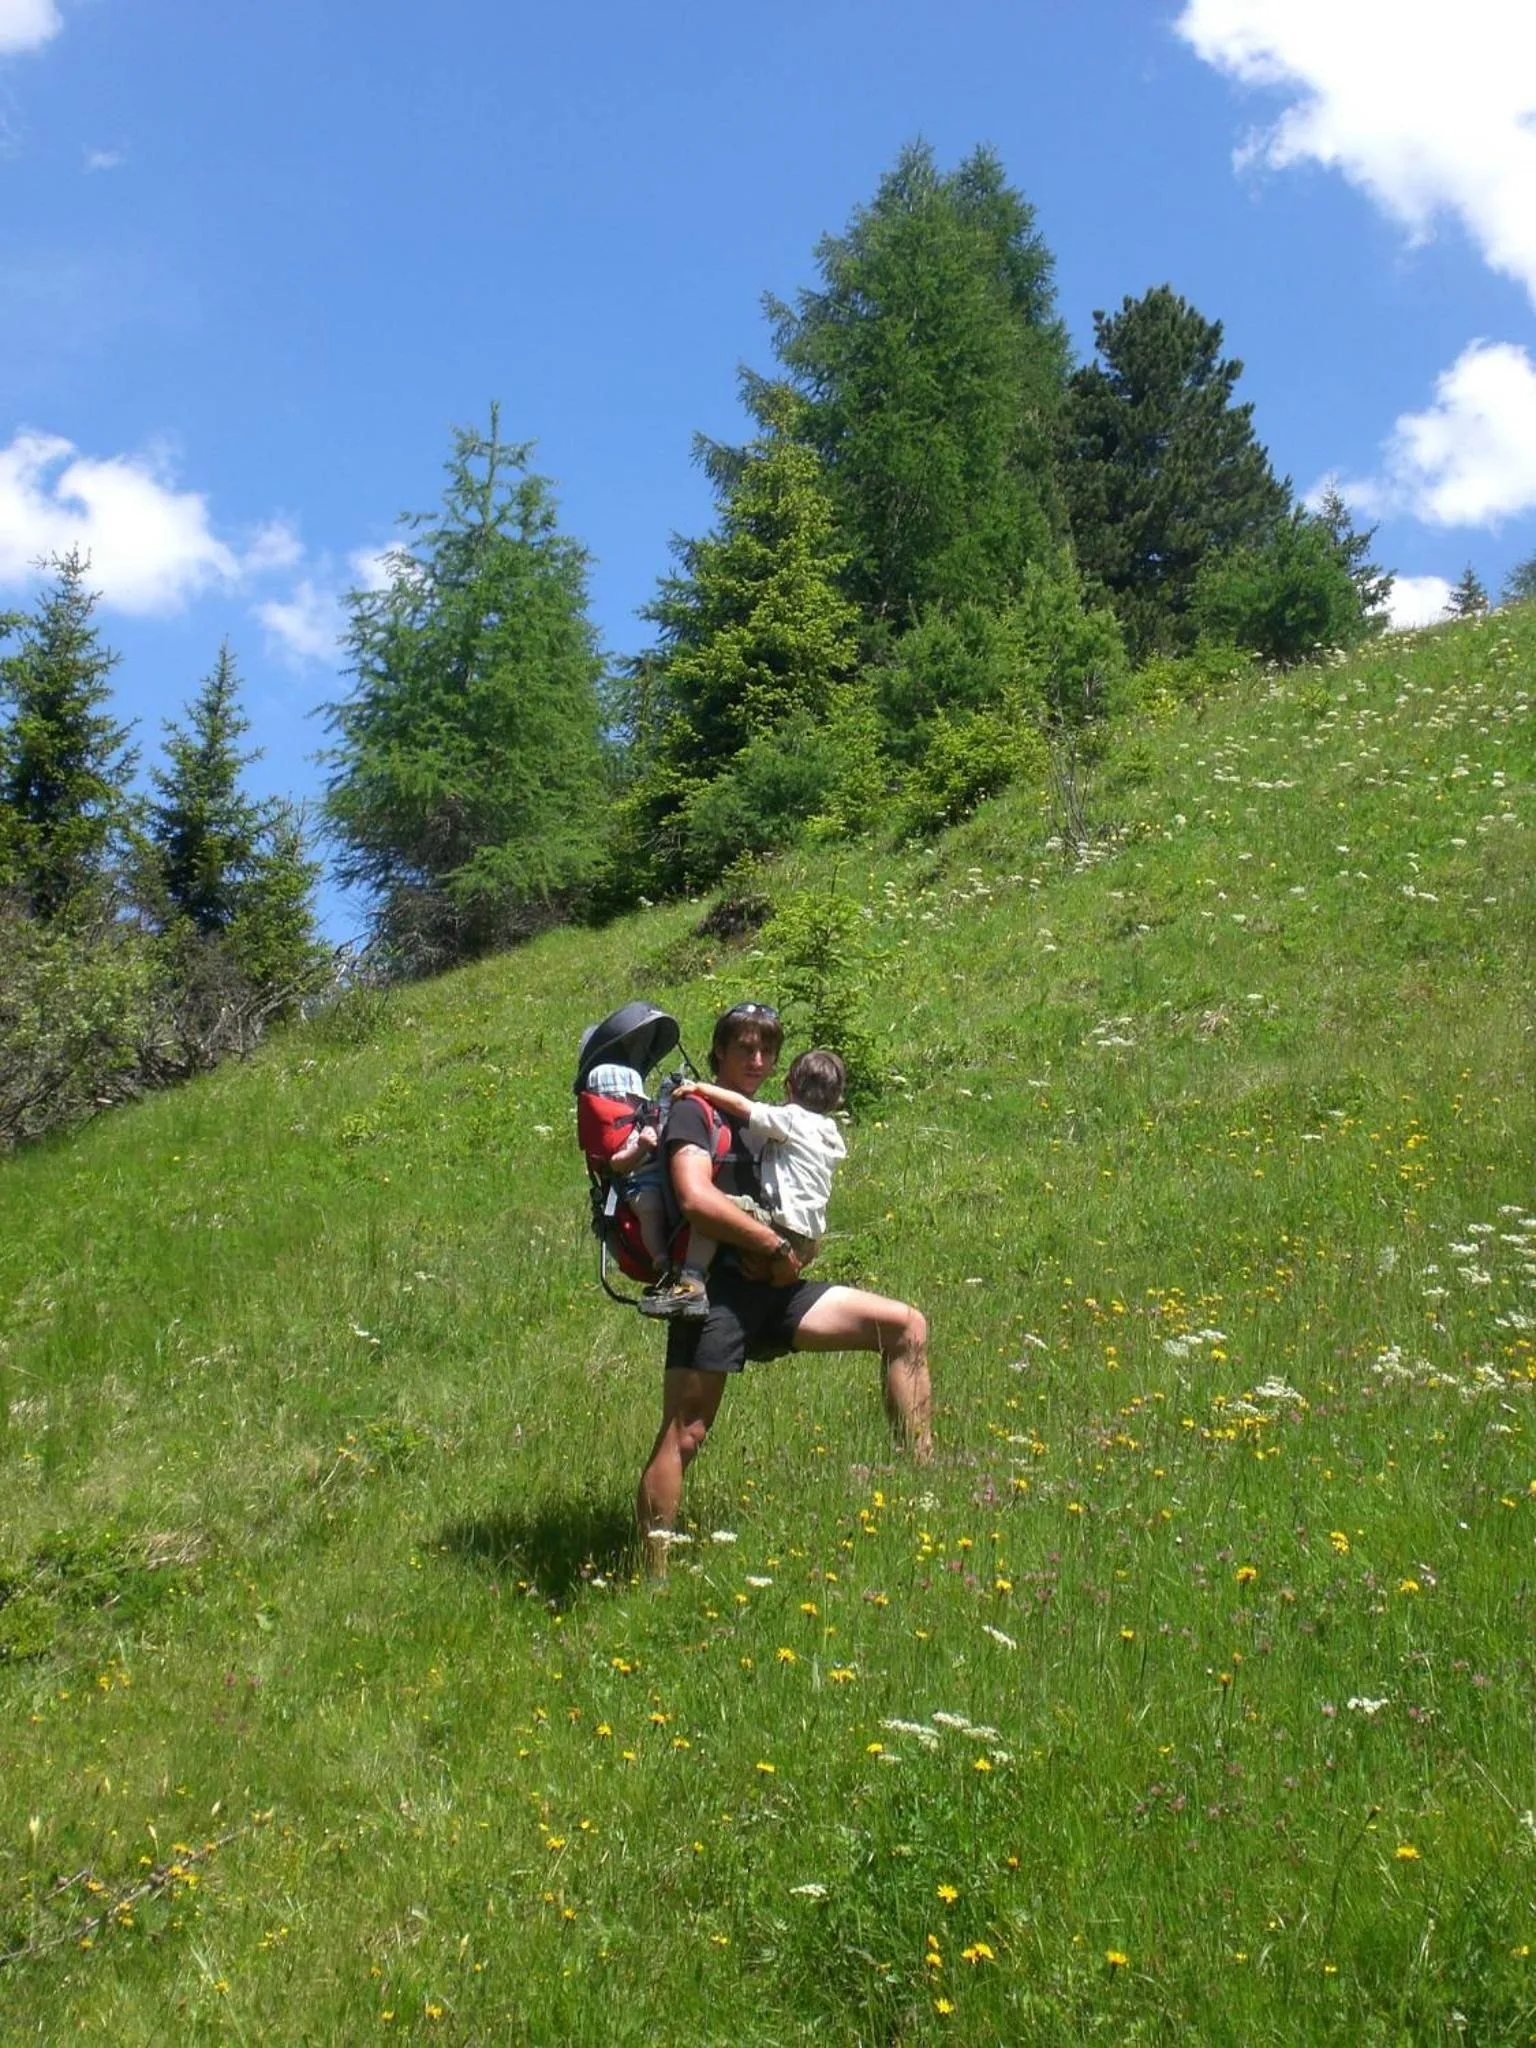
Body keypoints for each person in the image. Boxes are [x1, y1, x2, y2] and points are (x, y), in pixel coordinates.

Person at [635, 1002, 931, 1576]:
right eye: (744, 1048)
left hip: (776, 1288)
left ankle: (925, 1486)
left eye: (767, 1050)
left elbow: (804, 1213)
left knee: (905, 1326)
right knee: (686, 1434)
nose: (757, 1059)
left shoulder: (777, 1119)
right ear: (718, 1051)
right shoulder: (697, 1113)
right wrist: (774, 1252)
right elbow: (696, 1200)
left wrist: (792, 1258)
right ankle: (653, 1572)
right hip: (712, 1294)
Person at [639, 1047, 848, 1318]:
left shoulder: (792, 1120)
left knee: (714, 1207)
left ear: (788, 1086)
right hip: (808, 1239)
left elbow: (744, 1108)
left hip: (781, 1225)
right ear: (837, 1101)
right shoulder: (830, 1133)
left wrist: (702, 1089)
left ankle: (691, 1284)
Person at [581, 1061, 670, 1271]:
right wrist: (640, 1147)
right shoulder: (616, 1133)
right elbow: (617, 1164)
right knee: (650, 1210)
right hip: (639, 1184)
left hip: (664, 1176)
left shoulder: (640, 1121)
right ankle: (659, 1256)